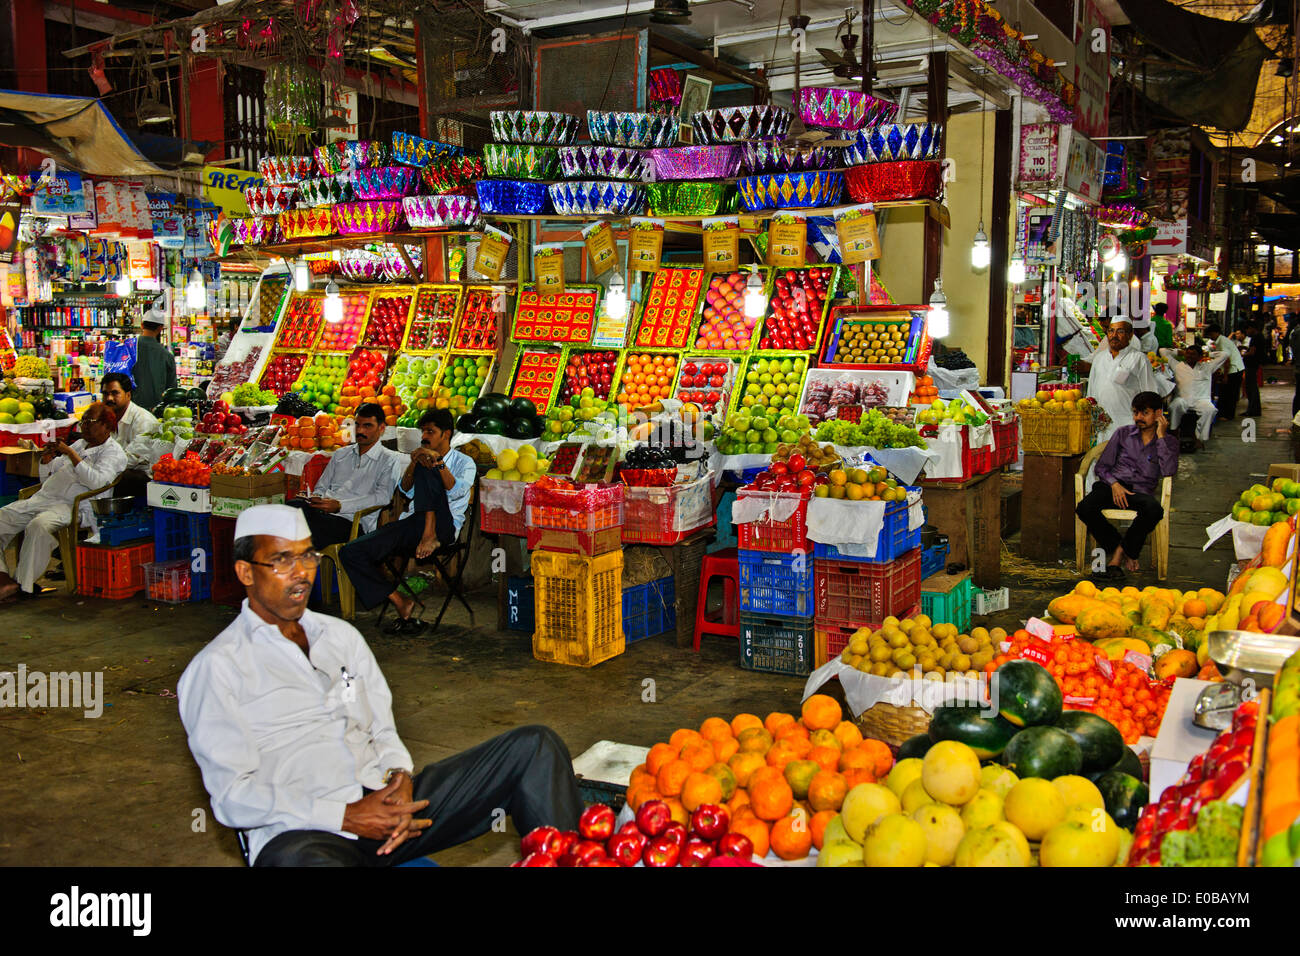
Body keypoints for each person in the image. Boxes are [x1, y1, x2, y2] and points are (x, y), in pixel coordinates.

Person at [176, 504, 582, 867]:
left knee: (535, 748)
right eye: (282, 560)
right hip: (305, 834)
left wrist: (399, 775)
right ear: (246, 571)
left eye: (307, 556)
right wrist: (345, 816)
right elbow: (232, 798)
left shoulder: (341, 639)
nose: (300, 573)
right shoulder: (217, 668)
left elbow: (380, 727)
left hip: (385, 805)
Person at [339, 408, 476, 636]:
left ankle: (429, 533)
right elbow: (404, 489)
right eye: (423, 430)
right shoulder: (420, 455)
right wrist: (415, 463)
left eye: (431, 431)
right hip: (415, 523)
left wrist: (438, 462)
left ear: (446, 434)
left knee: (429, 464)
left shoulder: (465, 462)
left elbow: (457, 492)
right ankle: (400, 601)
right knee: (350, 552)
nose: (425, 436)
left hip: (444, 526)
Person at [0, 402, 126, 601]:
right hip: (45, 498)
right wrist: (46, 460)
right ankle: (3, 579)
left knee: (38, 525)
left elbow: (97, 482)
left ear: (106, 426)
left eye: (89, 421)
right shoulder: (80, 444)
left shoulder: (114, 453)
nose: (83, 426)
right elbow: (50, 474)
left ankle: (24, 586)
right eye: (83, 421)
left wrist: (71, 454)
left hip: (73, 505)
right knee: (1, 518)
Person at [1078, 391, 1179, 582]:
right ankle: (1121, 550)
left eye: (1144, 413)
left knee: (1154, 510)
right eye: (1135, 413)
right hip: (1112, 485)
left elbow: (1169, 471)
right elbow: (1102, 467)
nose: (1138, 418)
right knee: (1085, 507)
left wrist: (1161, 437)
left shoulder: (1169, 442)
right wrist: (1114, 484)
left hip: (1139, 491)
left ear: (1159, 414)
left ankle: (1118, 556)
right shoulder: (1123, 433)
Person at [285, 402, 402, 549]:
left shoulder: (390, 459)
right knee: (291, 507)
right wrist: (315, 498)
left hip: (352, 523)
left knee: (302, 530)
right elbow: (321, 486)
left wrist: (340, 506)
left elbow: (382, 497)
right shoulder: (341, 453)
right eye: (357, 425)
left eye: (367, 426)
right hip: (324, 513)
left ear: (382, 428)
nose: (360, 430)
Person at [1082, 317, 1160, 441]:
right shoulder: (1099, 359)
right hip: (1102, 427)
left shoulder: (1139, 358)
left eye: (1120, 331)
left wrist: (1149, 427)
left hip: (1128, 425)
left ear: (1130, 335)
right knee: (1101, 458)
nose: (1114, 335)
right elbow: (1092, 392)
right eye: (1111, 331)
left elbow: (1151, 394)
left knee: (1126, 459)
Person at [1161, 344, 1228, 446]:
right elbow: (1162, 351)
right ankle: (1174, 432)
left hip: (1201, 401)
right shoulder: (1177, 366)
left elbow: (1224, 354)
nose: (1190, 356)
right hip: (1182, 399)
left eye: (1193, 354)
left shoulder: (1207, 367)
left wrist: (1207, 353)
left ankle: (1199, 438)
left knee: (1210, 409)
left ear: (1200, 357)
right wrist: (1180, 352)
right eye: (1188, 354)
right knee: (1175, 405)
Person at [99, 372, 159, 477]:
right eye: (105, 394)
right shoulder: (106, 418)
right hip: (112, 469)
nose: (109, 398)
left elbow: (133, 458)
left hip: (139, 478)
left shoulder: (144, 420)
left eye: (114, 393)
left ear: (128, 395)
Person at [131, 315, 176, 413]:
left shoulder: (127, 350)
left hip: (130, 409)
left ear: (142, 325)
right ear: (160, 328)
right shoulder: (167, 356)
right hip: (156, 411)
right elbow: (172, 391)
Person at [1206, 323, 1245, 421]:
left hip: (1234, 370)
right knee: (1226, 392)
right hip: (1234, 369)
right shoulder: (1221, 340)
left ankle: (1228, 415)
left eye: (1211, 334)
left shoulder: (1222, 342)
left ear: (1216, 333)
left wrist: (1225, 376)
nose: (1210, 337)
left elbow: (1227, 360)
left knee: (1230, 393)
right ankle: (1224, 414)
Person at [1241, 322, 1263, 417]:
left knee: (1251, 387)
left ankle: (1252, 410)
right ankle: (1254, 410)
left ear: (1251, 328)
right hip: (1255, 364)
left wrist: (1242, 355)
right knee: (1252, 387)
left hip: (1252, 364)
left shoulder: (1255, 338)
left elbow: (1252, 352)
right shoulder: (1260, 336)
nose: (1246, 332)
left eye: (1247, 329)